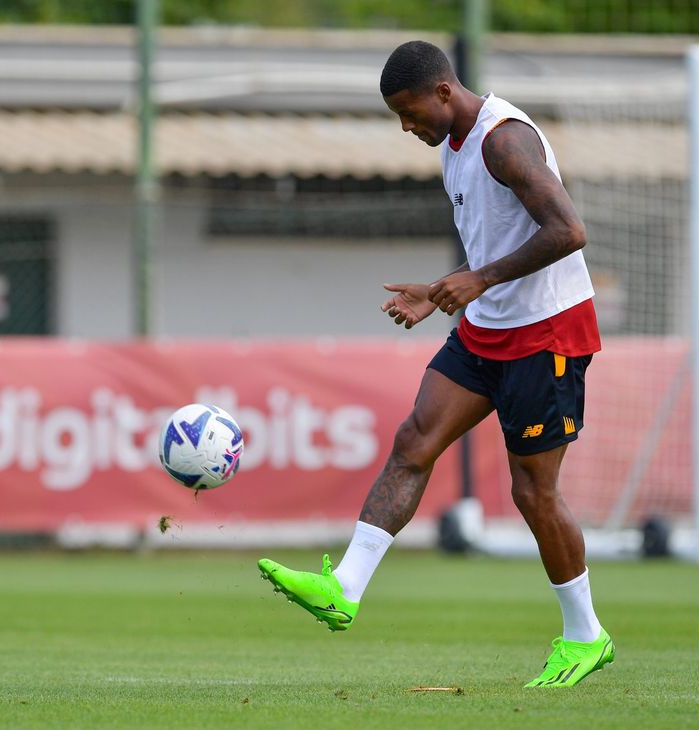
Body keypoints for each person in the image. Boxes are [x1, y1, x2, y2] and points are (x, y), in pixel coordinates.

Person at [258, 40, 613, 688]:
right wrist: (443, 287)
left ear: (444, 93)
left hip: (548, 333)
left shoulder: (503, 140)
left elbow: (568, 231)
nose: (406, 126)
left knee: (533, 491)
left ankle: (585, 636)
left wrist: (476, 280)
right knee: (413, 440)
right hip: (488, 328)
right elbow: (496, 244)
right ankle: (346, 587)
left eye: (410, 111)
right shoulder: (453, 147)